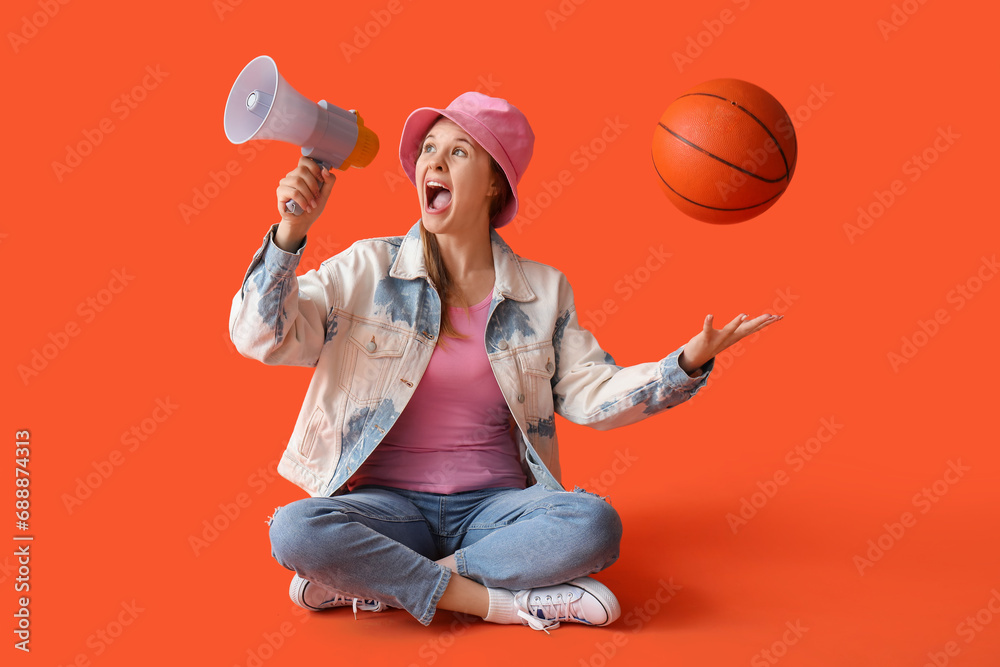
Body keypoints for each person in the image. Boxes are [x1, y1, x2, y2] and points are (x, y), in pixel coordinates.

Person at [229, 92, 781, 632]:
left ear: (496, 183)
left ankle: (383, 584)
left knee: (593, 525)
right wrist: (290, 234)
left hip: (495, 514)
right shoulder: (366, 270)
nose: (434, 161)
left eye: (459, 151)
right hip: (388, 512)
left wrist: (683, 364)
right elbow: (260, 338)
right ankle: (502, 604)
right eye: (428, 149)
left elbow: (593, 396)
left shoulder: (542, 291)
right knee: (296, 530)